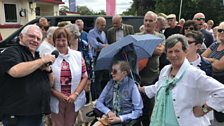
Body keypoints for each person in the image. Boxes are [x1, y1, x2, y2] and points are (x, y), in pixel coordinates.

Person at [139, 34, 224, 126]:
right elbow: (160, 86)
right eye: (170, 51)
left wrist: (204, 109)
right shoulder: (165, 70)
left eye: (177, 51)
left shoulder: (194, 74)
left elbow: (221, 91)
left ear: (185, 51)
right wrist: (140, 88)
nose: (173, 55)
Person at [0, 24, 55, 126]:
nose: (35, 40)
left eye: (38, 38)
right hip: (18, 116)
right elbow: (15, 71)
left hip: (37, 114)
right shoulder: (11, 52)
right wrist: (42, 61)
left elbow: (50, 84)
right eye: (31, 36)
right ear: (21, 37)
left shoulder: (37, 57)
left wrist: (48, 70)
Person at [50, 27, 88, 126]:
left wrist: (75, 94)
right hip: (56, 99)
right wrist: (58, 94)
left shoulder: (78, 56)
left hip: (73, 99)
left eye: (63, 40)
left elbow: (84, 76)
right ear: (54, 41)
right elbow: (44, 81)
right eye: (58, 40)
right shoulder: (49, 57)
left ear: (68, 41)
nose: (61, 43)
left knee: (70, 124)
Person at [136, 11, 165, 126]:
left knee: (150, 110)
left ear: (156, 23)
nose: (147, 23)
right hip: (137, 76)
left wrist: (141, 49)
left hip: (152, 78)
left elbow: (159, 51)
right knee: (137, 109)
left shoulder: (160, 36)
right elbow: (133, 53)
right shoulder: (137, 36)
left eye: (150, 20)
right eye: (146, 20)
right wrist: (150, 48)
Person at [95, 61, 143, 126]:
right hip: (108, 118)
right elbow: (99, 102)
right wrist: (108, 111)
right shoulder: (110, 83)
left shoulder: (132, 86)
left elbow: (138, 111)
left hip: (125, 122)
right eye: (111, 71)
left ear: (124, 73)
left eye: (115, 71)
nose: (112, 73)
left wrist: (120, 119)